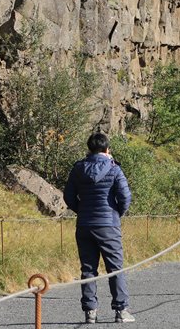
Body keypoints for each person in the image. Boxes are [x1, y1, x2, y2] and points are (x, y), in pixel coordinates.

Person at [63, 132, 135, 324]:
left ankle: (90, 312)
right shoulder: (114, 169)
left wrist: (82, 210)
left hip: (85, 224)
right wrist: (116, 213)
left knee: (88, 269)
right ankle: (121, 310)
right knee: (115, 268)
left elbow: (68, 197)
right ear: (107, 149)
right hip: (108, 225)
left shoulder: (78, 168)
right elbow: (125, 197)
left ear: (89, 149)